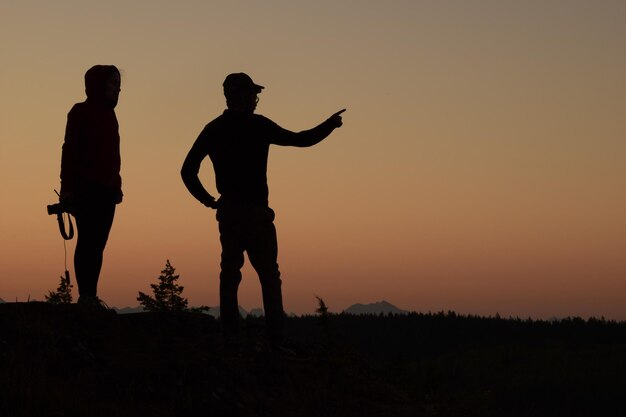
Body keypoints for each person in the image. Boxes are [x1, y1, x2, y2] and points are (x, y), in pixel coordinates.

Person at [181, 72, 345, 348]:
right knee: (269, 275)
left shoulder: (214, 128)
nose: (256, 99)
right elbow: (300, 139)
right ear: (244, 96)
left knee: (230, 273)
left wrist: (209, 200)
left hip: (229, 212)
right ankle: (276, 339)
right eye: (253, 94)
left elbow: (187, 171)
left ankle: (230, 336)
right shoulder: (258, 126)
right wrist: (329, 125)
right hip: (257, 213)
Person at [59, 65, 123, 308]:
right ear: (98, 85)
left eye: (118, 83)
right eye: (112, 82)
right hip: (86, 189)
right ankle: (86, 296)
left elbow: (113, 157)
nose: (118, 88)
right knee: (87, 241)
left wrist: (117, 185)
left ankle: (90, 296)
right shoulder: (80, 112)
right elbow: (69, 151)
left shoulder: (111, 116)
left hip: (107, 191)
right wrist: (67, 188)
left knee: (98, 244)